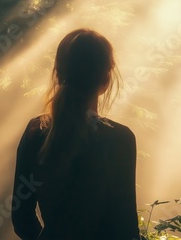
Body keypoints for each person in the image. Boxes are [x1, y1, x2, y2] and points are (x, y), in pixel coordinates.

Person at [12, 29, 140, 240]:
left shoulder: (37, 131)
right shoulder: (120, 138)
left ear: (58, 73)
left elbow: (21, 217)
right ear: (106, 76)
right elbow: (126, 226)